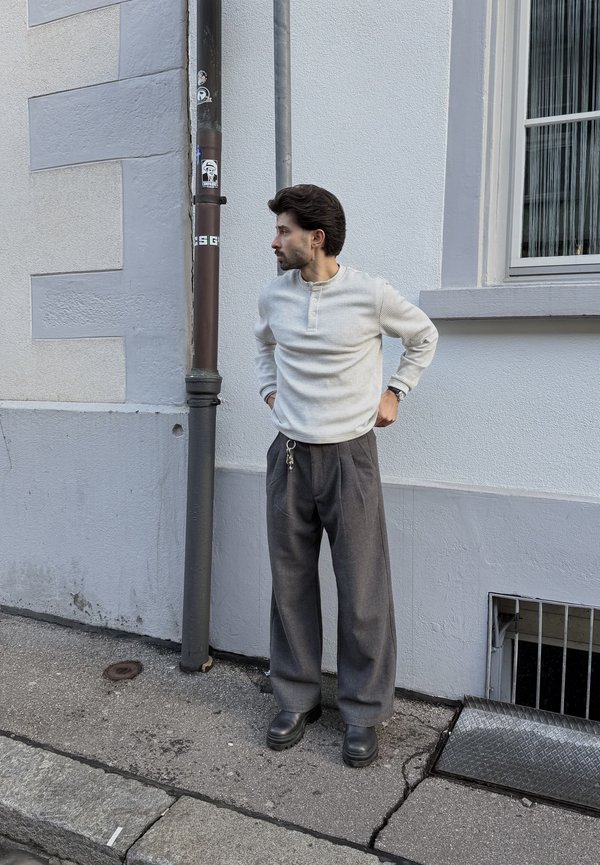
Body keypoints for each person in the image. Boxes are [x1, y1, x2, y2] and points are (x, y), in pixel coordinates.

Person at [254, 184, 438, 768]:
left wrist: (395, 391)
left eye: (284, 231)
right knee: (290, 584)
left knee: (362, 591)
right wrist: (268, 390)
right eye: (277, 229)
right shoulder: (274, 297)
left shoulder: (369, 294)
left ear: (317, 238)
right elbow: (262, 348)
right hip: (288, 455)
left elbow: (424, 336)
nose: (275, 241)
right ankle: (296, 697)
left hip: (350, 458)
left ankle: (361, 712)